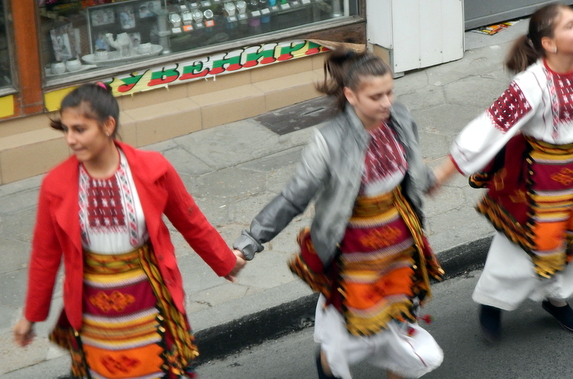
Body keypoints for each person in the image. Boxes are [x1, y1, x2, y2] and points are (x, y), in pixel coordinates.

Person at [233, 49, 444, 379]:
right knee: (346, 341)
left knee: (401, 329)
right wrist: (249, 243)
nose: (387, 103)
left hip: (400, 243)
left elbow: (414, 169)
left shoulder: (401, 118)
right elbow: (293, 198)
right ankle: (328, 368)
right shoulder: (328, 141)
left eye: (390, 92)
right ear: (350, 95)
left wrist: (435, 177)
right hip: (353, 249)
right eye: (376, 96)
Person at [13, 83, 246, 378]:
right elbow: (45, 255)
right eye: (65, 129)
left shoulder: (154, 168)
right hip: (93, 315)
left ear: (108, 126)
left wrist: (224, 261)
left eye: (79, 129)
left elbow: (190, 219)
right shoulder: (55, 185)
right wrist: (31, 316)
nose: (70, 139)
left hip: (150, 304)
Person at [435, 4, 573, 340]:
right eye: (569, 26)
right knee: (520, 245)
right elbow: (490, 126)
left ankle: (556, 298)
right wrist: (447, 169)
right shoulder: (531, 84)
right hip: (537, 176)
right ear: (549, 43)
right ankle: (493, 301)